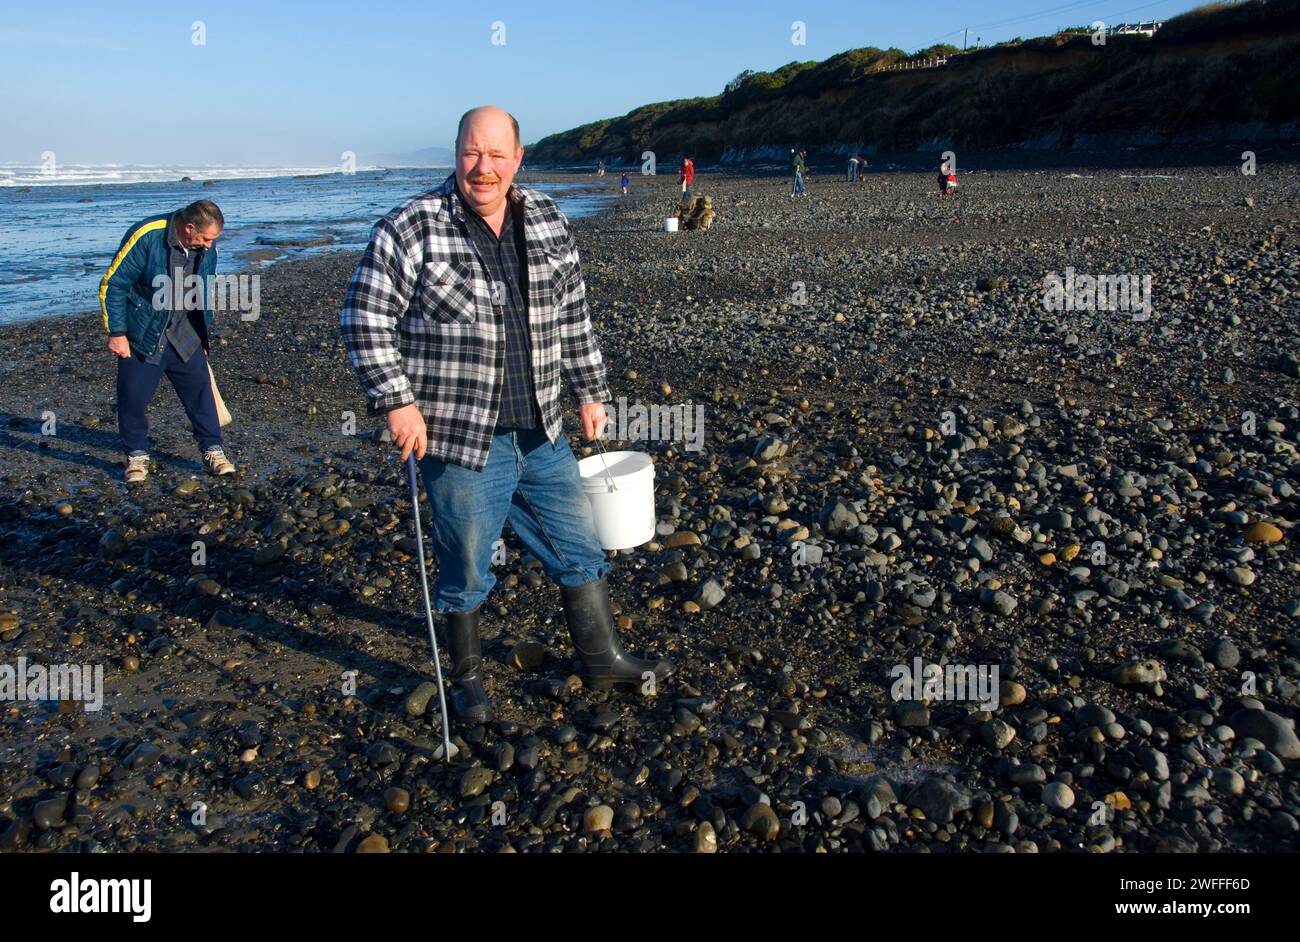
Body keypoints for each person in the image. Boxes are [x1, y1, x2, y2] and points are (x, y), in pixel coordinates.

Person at [340, 106, 674, 723]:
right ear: (456, 153)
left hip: (543, 429)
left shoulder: (546, 217)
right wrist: (398, 401)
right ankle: (464, 680)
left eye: (497, 155)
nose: (483, 168)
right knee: (466, 563)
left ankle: (601, 659)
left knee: (578, 545)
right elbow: (364, 319)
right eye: (472, 153)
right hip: (461, 440)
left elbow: (573, 312)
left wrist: (590, 390)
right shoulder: (410, 228)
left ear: (518, 159)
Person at [99, 199, 237, 483]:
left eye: (213, 240)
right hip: (144, 332)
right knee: (133, 398)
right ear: (188, 227)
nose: (210, 245)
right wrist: (116, 332)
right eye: (206, 238)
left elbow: (203, 288)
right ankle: (136, 457)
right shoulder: (147, 236)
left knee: (201, 394)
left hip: (185, 331)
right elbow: (113, 284)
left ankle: (213, 451)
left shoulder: (205, 247)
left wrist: (203, 334)